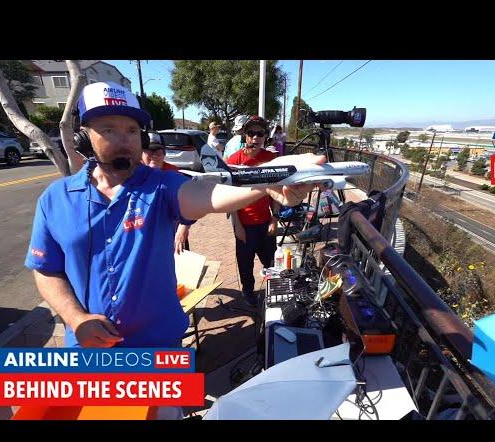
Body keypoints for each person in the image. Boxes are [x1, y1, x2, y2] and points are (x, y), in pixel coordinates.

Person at [24, 82, 324, 349]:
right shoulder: (55, 199)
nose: (125, 140)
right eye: (109, 130)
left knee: (164, 414)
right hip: (88, 346)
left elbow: (211, 195)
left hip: (159, 344)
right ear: (84, 136)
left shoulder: (162, 186)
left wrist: (273, 175)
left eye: (131, 130)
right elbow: (46, 268)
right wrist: (76, 318)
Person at [226, 115, 280, 307]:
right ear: (245, 136)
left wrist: (275, 219)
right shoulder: (233, 160)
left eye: (260, 133)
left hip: (265, 223)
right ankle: (248, 293)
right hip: (244, 225)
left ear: (265, 136)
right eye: (251, 133)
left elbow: (277, 192)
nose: (255, 137)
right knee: (245, 265)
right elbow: (230, 197)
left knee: (271, 263)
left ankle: (272, 292)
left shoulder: (271, 159)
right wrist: (237, 225)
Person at [141, 132, 191, 253]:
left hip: (173, 231)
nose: (154, 155)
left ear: (164, 153)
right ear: (141, 153)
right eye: (149, 151)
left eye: (158, 151)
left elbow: (189, 204)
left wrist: (183, 227)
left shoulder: (174, 173)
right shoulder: (134, 173)